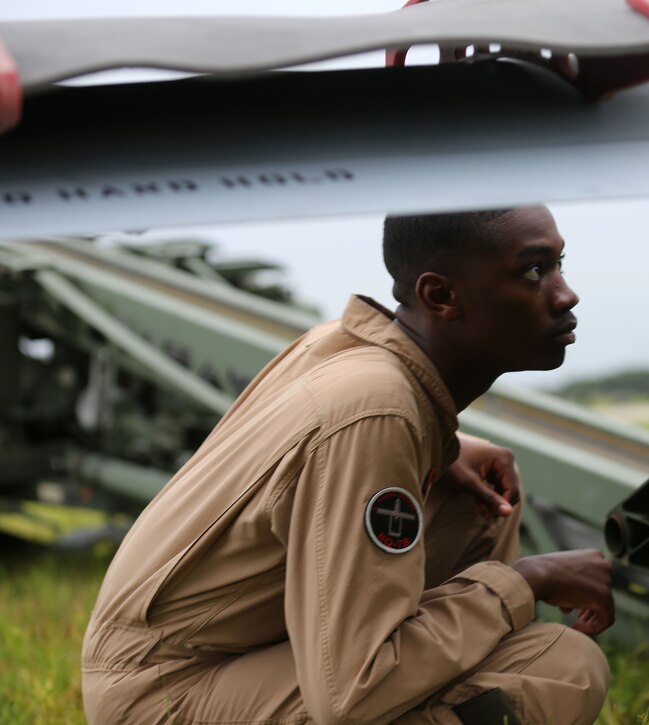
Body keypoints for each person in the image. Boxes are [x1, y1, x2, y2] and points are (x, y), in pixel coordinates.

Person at [82, 206, 614, 725]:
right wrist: (526, 581)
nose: (566, 293)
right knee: (560, 668)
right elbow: (351, 694)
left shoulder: (350, 353)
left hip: (187, 659)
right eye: (533, 271)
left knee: (479, 499)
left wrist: (442, 447)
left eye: (559, 265)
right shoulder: (376, 408)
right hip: (165, 693)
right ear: (442, 296)